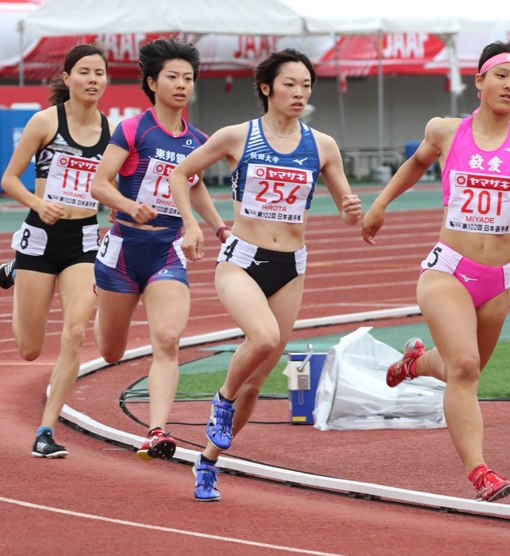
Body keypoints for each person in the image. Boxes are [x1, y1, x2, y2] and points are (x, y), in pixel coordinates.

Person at [361, 40, 510, 503]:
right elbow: (415, 164)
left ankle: (414, 362)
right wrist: (379, 204)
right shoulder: (446, 130)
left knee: (462, 370)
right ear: (479, 81)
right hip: (447, 271)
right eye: (501, 76)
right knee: (467, 367)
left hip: (498, 280)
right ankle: (480, 473)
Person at [168, 48, 361, 501]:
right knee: (265, 338)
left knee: (257, 381)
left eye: (306, 85)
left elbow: (347, 210)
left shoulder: (323, 145)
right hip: (241, 259)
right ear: (266, 87)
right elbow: (182, 174)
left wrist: (353, 211)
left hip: (290, 267)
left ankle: (208, 462)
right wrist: (193, 224)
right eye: (290, 84)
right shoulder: (238, 136)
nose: (299, 92)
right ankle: (221, 398)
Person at [91, 37, 228, 462]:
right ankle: (102, 299)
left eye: (188, 78)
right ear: (152, 82)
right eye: (173, 77)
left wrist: (220, 227)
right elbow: (99, 184)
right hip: (122, 251)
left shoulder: (198, 140)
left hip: (167, 251)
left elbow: (196, 185)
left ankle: (156, 431)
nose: (182, 85)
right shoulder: (133, 129)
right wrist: (131, 206)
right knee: (111, 352)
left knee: (167, 339)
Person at [0, 44, 112, 457]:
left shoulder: (110, 131)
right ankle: (14, 270)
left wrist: (118, 207)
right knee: (29, 349)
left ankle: (45, 430)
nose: (93, 79)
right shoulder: (45, 122)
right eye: (84, 72)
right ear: (67, 78)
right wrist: (37, 202)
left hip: (83, 241)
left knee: (76, 333)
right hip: (41, 239)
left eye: (99, 72)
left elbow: (112, 185)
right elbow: (10, 179)